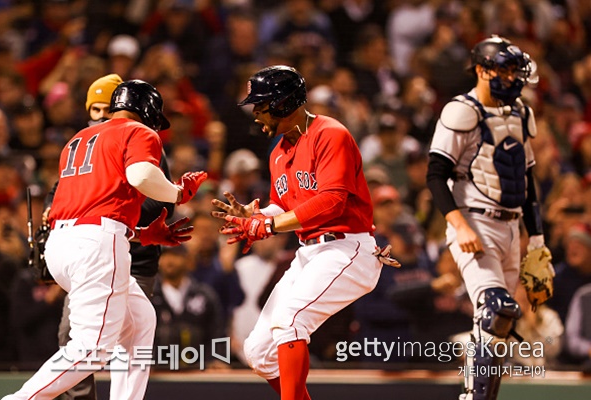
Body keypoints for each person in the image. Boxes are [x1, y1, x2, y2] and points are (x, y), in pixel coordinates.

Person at [2, 79, 207, 400]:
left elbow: (91, 207)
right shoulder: (138, 131)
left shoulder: (78, 138)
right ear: (146, 111)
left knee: (140, 321)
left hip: (62, 243)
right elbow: (140, 176)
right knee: (93, 348)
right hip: (94, 244)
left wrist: (140, 233)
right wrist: (179, 192)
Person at [212, 65, 399, 400]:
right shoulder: (277, 153)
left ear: (284, 103)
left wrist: (269, 225)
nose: (255, 113)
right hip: (310, 252)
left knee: (290, 320)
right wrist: (257, 216)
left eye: (261, 105)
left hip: (347, 248)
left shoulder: (330, 134)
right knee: (258, 352)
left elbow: (332, 201)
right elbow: (282, 207)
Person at [426, 36, 549, 400]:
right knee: (496, 308)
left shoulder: (521, 113)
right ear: (481, 70)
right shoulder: (461, 111)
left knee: (500, 324)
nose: (511, 78)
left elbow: (526, 179)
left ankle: (479, 396)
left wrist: (537, 241)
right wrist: (459, 224)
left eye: (515, 71)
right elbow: (435, 174)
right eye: (504, 70)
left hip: (511, 225)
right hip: (475, 221)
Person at [47, 73, 177, 400]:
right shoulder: (85, 143)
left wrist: (130, 225)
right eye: (97, 109)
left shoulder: (137, 136)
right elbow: (63, 194)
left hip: (132, 257)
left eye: (108, 107)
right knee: (81, 342)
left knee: (129, 333)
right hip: (95, 249)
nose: (104, 115)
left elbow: (156, 200)